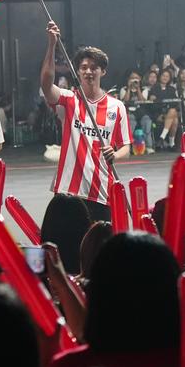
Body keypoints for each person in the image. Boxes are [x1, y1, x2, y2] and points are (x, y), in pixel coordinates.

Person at [40, 22, 130, 221]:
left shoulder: (117, 107)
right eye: (84, 67)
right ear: (78, 71)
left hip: (101, 193)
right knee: (64, 248)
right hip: (68, 193)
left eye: (94, 67)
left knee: (100, 249)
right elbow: (46, 84)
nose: (89, 71)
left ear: (103, 72)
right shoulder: (68, 100)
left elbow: (126, 147)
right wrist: (52, 45)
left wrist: (115, 154)